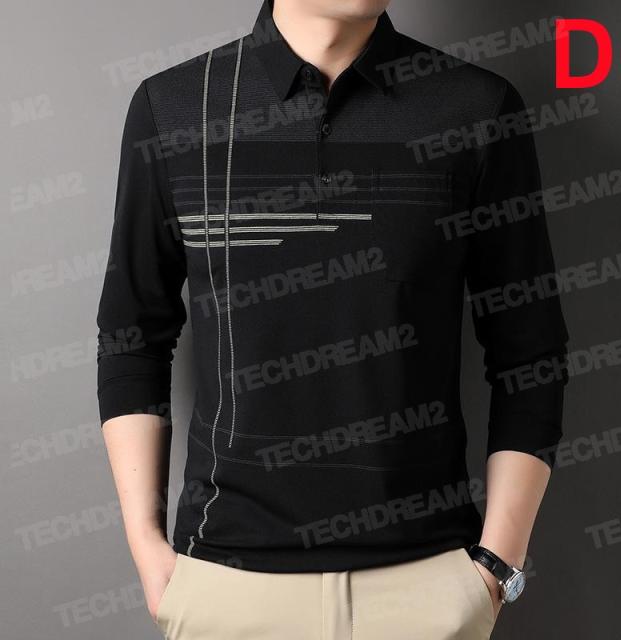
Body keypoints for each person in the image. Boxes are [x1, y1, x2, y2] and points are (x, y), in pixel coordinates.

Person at [96, 1, 569, 638]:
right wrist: (148, 550)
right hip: (227, 586)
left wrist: (495, 567)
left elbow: (531, 353)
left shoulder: (477, 109)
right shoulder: (176, 107)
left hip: (424, 589)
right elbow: (132, 339)